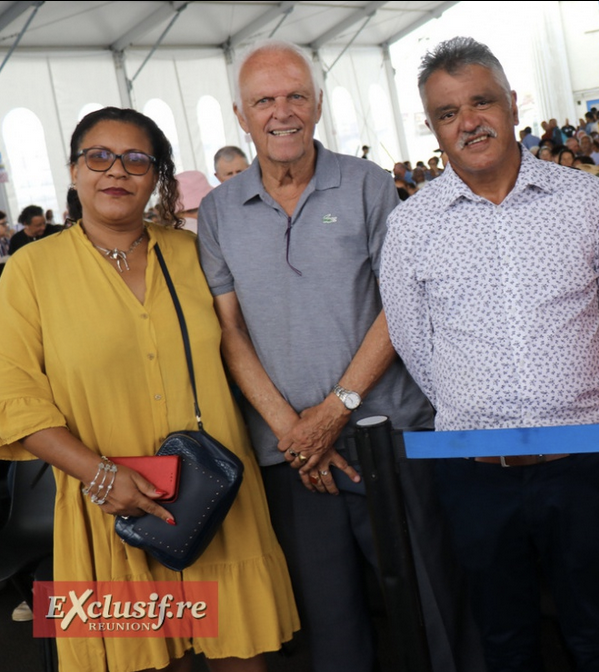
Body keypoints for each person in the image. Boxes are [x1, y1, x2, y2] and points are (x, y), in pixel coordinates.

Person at [197, 40, 478, 672]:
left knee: (432, 609)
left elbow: (397, 307)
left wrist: (335, 408)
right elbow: (229, 334)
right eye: (263, 100)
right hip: (290, 455)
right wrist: (294, 432)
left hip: (387, 437)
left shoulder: (367, 184)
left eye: (296, 95)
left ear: (318, 104)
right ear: (241, 116)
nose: (282, 112)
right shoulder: (217, 211)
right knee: (331, 626)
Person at [0, 106, 299, 672]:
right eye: (99, 156)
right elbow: (12, 395)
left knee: (244, 658)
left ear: (158, 176)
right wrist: (101, 475)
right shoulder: (30, 269)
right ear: (73, 169)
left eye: (137, 160)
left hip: (213, 496)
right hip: (105, 510)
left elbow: (245, 343)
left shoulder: (192, 253)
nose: (117, 171)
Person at [380, 36, 599, 672]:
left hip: (583, 461)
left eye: (481, 101)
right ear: (434, 128)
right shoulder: (412, 225)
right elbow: (415, 346)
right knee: (505, 642)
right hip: (475, 474)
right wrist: (482, 409)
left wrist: (587, 409)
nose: (468, 122)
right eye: (447, 113)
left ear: (512, 104)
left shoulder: (587, 200)